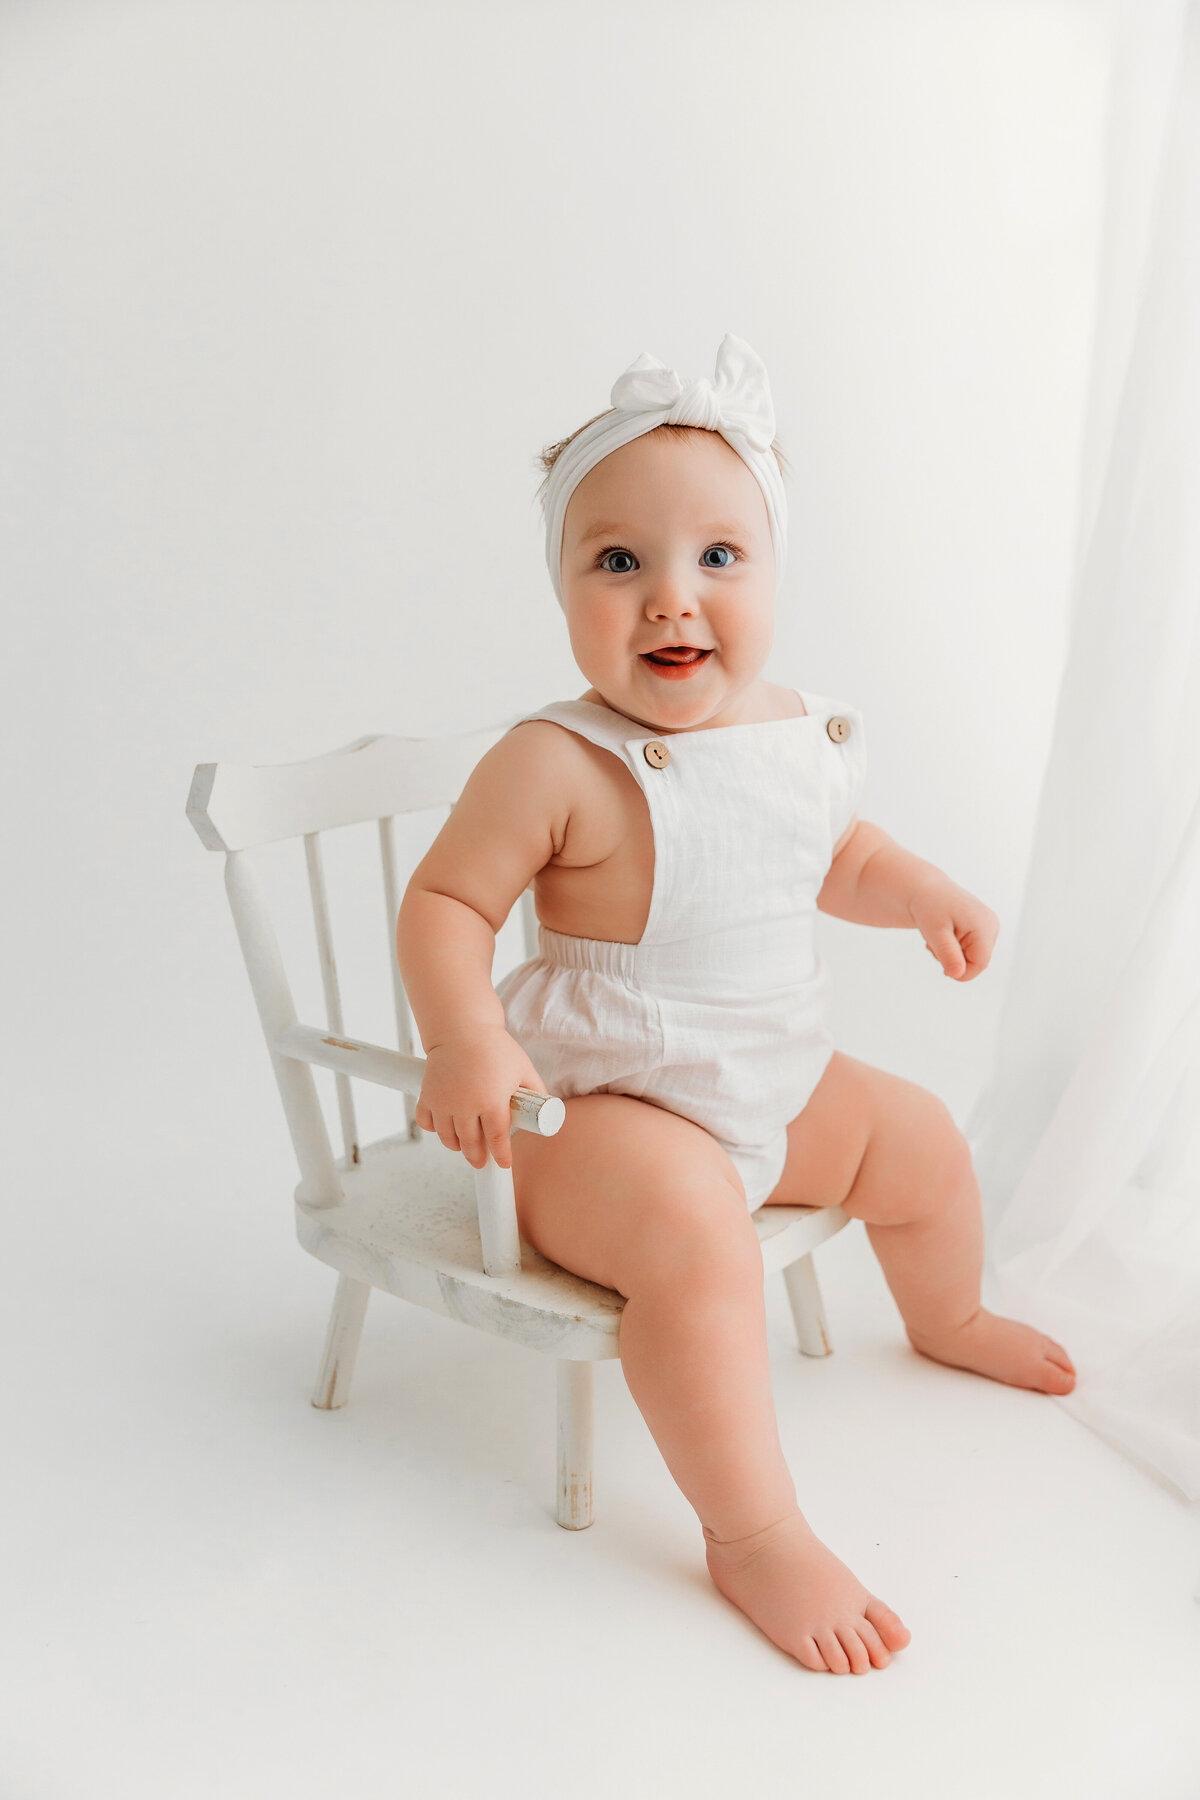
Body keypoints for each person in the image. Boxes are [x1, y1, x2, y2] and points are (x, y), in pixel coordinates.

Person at [396, 333, 1075, 1676]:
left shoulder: (792, 733)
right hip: (593, 1109)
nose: (670, 600)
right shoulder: (554, 761)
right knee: (699, 1238)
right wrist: (469, 1039)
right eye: (618, 563)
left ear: (772, 575)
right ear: (563, 589)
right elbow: (446, 905)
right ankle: (753, 1528)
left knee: (922, 1137)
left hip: (772, 1080)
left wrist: (920, 886)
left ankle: (947, 1316)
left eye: (718, 558)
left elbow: (840, 857)